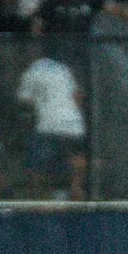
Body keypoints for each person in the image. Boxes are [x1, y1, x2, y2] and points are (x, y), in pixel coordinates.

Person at [16, 52, 88, 201]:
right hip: (75, 125)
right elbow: (77, 96)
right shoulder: (63, 69)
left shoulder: (32, 72)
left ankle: (44, 201)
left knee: (38, 170)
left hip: (49, 126)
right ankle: (76, 189)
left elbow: (23, 100)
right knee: (75, 158)